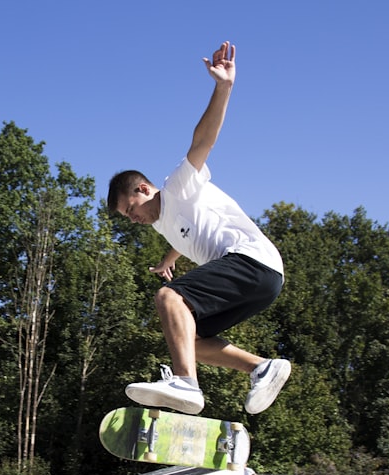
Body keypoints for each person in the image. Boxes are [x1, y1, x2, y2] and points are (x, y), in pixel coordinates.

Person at [108, 41, 290, 416]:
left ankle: (186, 385)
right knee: (189, 337)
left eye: (131, 209)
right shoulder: (165, 224)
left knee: (168, 299)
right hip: (264, 281)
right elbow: (183, 233)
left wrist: (223, 86)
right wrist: (167, 260)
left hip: (253, 261)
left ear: (144, 189)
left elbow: (202, 141)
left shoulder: (178, 186)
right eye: (128, 218)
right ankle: (262, 367)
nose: (134, 220)